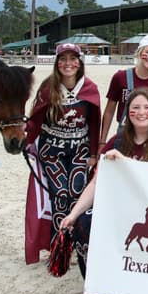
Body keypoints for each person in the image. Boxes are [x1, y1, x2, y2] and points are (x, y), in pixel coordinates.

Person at [60, 87, 148, 294]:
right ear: (127, 112)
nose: (141, 112)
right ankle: (100, 286)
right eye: (135, 107)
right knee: (83, 222)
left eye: (147, 107)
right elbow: (97, 182)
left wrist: (124, 161)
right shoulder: (116, 142)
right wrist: (73, 213)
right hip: (121, 205)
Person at [25, 43, 101, 261]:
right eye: (63, 59)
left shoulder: (89, 88)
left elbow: (94, 122)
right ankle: (58, 246)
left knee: (77, 193)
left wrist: (94, 153)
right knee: (59, 194)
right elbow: (36, 119)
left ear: (80, 62)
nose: (68, 64)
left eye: (73, 59)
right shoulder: (48, 88)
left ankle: (77, 242)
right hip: (52, 149)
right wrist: (27, 140)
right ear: (57, 63)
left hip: (80, 149)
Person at [100, 34, 148, 144]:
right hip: (125, 138)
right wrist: (102, 142)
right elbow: (109, 112)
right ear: (139, 52)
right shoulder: (120, 77)